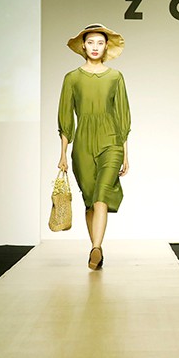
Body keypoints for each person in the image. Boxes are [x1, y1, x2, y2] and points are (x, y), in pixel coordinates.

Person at [57, 23, 131, 271]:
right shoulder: (72, 78)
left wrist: (126, 154)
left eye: (100, 42)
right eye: (91, 42)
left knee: (101, 196)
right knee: (89, 200)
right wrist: (63, 154)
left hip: (111, 141)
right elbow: (65, 118)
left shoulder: (115, 77)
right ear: (83, 46)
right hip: (83, 146)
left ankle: (96, 248)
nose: (95, 47)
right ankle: (95, 248)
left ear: (106, 46)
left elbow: (123, 117)